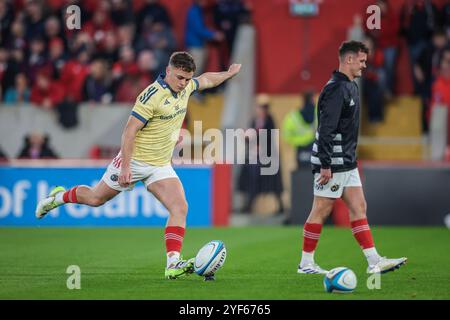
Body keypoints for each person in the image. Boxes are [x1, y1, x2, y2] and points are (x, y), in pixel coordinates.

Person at [35, 52, 242, 279]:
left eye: (187, 79)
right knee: (95, 199)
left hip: (160, 164)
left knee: (180, 207)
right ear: (169, 70)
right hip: (134, 160)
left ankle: (173, 263)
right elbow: (129, 131)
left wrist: (228, 74)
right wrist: (125, 167)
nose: (184, 83)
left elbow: (207, 80)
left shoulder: (186, 87)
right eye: (180, 77)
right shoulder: (151, 96)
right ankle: (58, 197)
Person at [297, 41, 407, 275]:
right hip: (333, 162)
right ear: (348, 60)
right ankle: (306, 263)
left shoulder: (349, 85)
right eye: (362, 61)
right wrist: (326, 164)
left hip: (347, 161)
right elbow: (326, 128)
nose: (364, 66)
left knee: (359, 206)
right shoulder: (336, 88)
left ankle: (374, 260)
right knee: (321, 209)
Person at [238, 99, 284, 214]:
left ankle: (280, 206)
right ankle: (248, 205)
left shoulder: (269, 120)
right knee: (250, 179)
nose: (261, 110)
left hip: (268, 156)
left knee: (273, 182)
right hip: (255, 156)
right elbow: (250, 136)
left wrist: (261, 145)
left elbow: (270, 137)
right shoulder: (254, 121)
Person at [282, 91, 317, 168]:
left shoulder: (293, 117)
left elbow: (287, 136)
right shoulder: (319, 113)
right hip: (315, 148)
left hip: (300, 149)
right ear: (312, 99)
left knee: (302, 174)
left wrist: (299, 141)